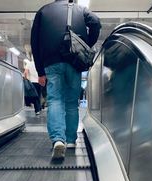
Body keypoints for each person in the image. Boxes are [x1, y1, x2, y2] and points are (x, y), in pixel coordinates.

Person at [31, 0, 101, 159]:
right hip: (74, 60)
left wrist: (40, 71)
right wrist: (86, 43)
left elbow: (34, 42)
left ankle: (58, 140)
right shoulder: (80, 9)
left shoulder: (43, 11)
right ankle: (70, 140)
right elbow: (96, 22)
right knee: (71, 102)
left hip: (51, 61)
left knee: (55, 99)